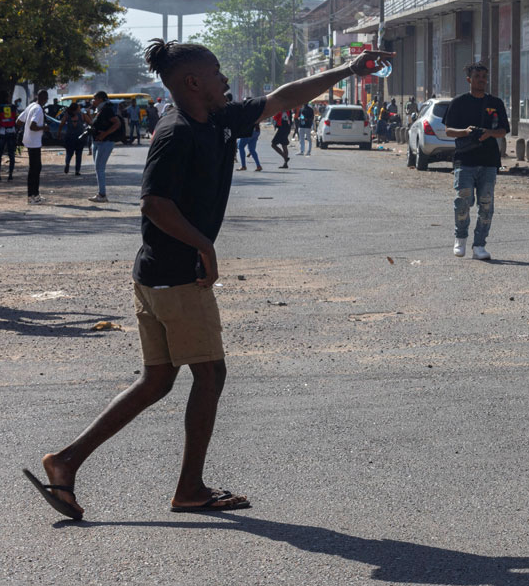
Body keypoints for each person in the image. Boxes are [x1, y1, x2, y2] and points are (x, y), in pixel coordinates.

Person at [23, 38, 390, 521]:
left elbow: (285, 97)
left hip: (156, 274)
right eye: (216, 71)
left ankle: (66, 461)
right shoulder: (176, 132)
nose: (224, 79)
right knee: (210, 374)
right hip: (176, 275)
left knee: (157, 380)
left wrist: (346, 68)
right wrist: (204, 245)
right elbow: (154, 203)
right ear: (193, 82)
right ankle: (189, 488)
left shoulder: (217, 119)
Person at [441, 61, 510, 260]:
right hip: (465, 160)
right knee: (462, 199)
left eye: (484, 77)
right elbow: (448, 130)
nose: (481, 80)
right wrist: (466, 131)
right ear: (469, 79)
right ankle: (460, 238)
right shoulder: (459, 102)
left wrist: (488, 133)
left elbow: (503, 130)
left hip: (489, 161)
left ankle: (479, 245)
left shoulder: (495, 103)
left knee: (486, 205)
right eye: (477, 77)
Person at [89, 90, 125, 203]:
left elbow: (117, 123)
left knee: (100, 168)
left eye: (94, 98)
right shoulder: (99, 110)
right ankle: (100, 193)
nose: (92, 100)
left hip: (106, 142)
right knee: (97, 168)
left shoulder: (107, 110)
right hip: (97, 142)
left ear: (100, 99)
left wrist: (105, 134)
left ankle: (102, 194)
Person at [22, 88, 49, 205]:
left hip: (29, 141)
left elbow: (19, 121)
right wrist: (44, 127)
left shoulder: (31, 106)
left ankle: (34, 195)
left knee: (34, 168)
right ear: (45, 99)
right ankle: (32, 196)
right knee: (35, 169)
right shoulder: (38, 109)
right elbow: (33, 126)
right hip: (34, 143)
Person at [0, 96, 19, 181]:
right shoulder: (13, 107)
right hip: (12, 132)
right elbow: (17, 119)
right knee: (11, 155)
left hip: (2, 132)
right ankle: (10, 175)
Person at [62, 103, 88, 176]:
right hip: (80, 137)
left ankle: (67, 163)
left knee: (69, 153)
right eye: (79, 107)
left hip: (69, 136)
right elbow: (90, 122)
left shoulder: (67, 115)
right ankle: (77, 170)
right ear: (76, 108)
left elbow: (61, 124)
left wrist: (59, 133)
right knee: (79, 154)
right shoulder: (82, 115)